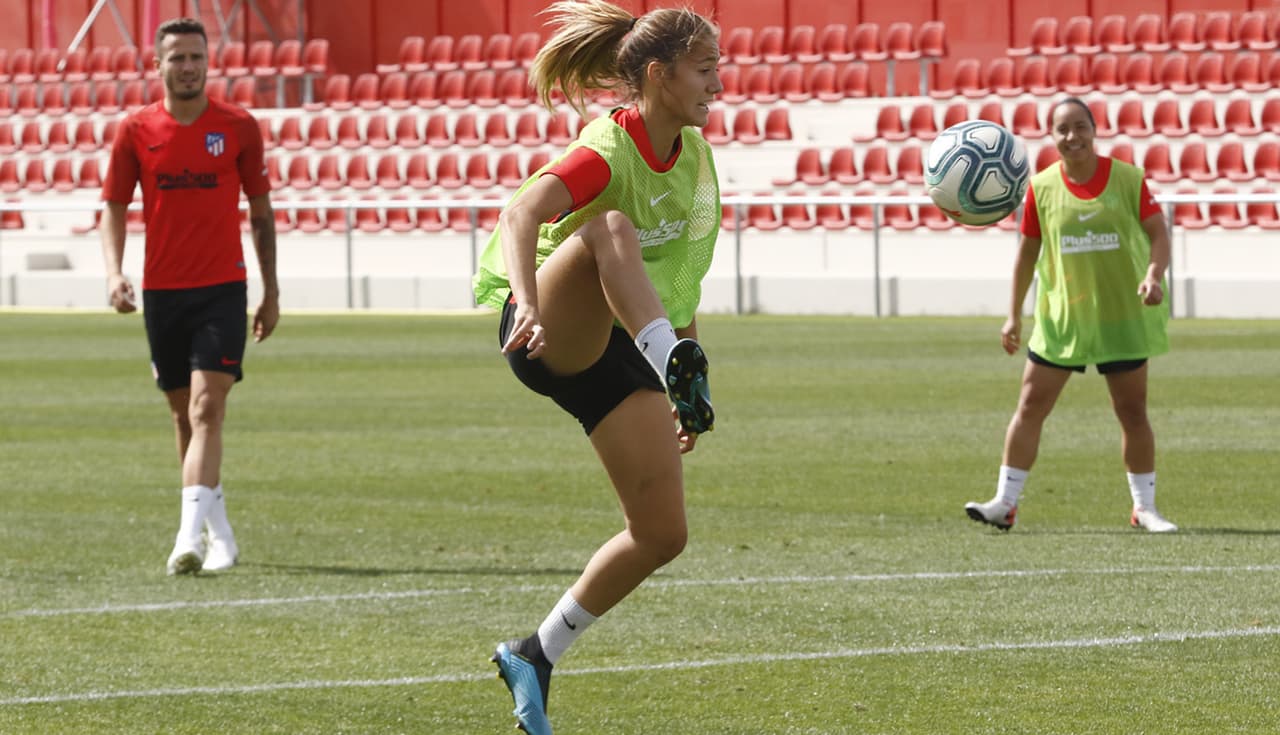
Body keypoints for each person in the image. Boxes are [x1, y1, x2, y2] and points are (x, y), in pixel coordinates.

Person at [471, 2, 722, 732]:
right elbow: (522, 213)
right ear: (660, 74)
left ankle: (535, 654)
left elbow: (680, 279)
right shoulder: (607, 147)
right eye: (705, 69)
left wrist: (685, 378)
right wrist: (526, 302)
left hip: (625, 340)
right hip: (550, 324)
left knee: (662, 533)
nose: (717, 84)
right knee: (609, 225)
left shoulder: (696, 159)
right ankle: (664, 356)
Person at [100, 17, 279, 574]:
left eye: (196, 57)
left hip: (222, 289)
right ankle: (218, 533)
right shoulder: (135, 130)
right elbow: (113, 206)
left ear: (208, 62)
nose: (188, 67)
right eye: (177, 57)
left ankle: (186, 540)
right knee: (184, 417)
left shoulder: (238, 126)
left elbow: (261, 211)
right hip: (162, 292)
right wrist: (113, 273)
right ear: (157, 65)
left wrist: (271, 291)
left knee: (207, 407)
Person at [965, 96, 1176, 534]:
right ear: (1051, 136)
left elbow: (1159, 233)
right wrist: (1013, 316)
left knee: (1132, 412)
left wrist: (1153, 275)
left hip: (1121, 316)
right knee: (1030, 405)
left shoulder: (1127, 179)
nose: (1072, 136)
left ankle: (1145, 508)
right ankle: (1004, 503)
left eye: (1080, 126)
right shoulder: (1040, 188)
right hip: (1063, 320)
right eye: (1062, 129)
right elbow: (1026, 256)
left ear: (1094, 130)